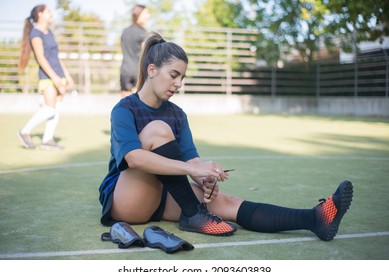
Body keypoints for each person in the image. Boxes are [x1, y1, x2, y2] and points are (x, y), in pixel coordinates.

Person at [99, 32, 353, 241]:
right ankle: (192, 215)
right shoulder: (125, 109)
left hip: (161, 196)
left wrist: (206, 175)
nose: (178, 84)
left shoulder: (177, 114)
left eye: (182, 78)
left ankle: (315, 218)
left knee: (226, 202)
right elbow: (133, 158)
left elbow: (193, 161)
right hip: (127, 202)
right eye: (173, 75)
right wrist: (191, 170)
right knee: (157, 130)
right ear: (152, 70)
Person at [17, 4, 73, 151]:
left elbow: (56, 57)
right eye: (48, 12)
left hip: (59, 75)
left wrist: (67, 75)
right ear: (40, 14)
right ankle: (25, 131)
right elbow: (41, 58)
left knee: (57, 108)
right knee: (50, 109)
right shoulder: (35, 33)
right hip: (48, 77)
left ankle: (47, 139)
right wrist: (54, 78)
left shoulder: (50, 33)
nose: (51, 14)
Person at [119, 4, 149, 97]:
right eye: (146, 14)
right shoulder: (143, 33)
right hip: (138, 71)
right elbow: (146, 53)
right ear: (138, 15)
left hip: (125, 70)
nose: (148, 16)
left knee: (125, 104)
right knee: (138, 104)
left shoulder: (125, 32)